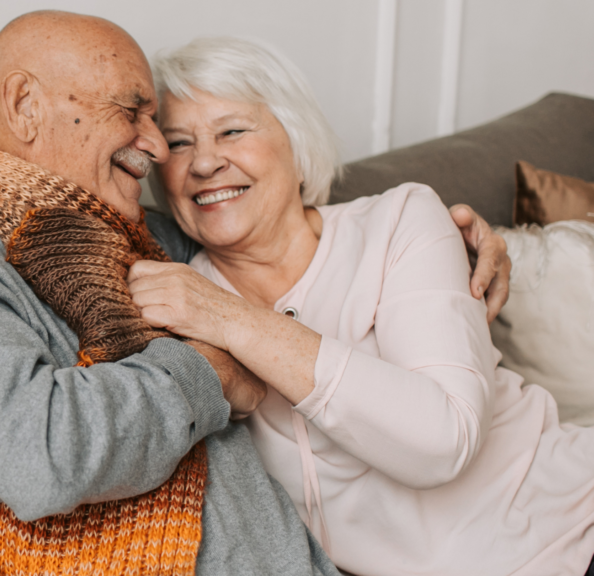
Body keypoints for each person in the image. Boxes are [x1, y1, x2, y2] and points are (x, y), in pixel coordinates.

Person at [0, 11, 506, 575]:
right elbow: (36, 454)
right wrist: (210, 373)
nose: (156, 146)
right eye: (132, 111)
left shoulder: (150, 235)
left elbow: (280, 226)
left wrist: (468, 244)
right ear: (26, 106)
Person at [128, 36, 594, 576]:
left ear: (296, 143)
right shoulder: (176, 299)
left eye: (232, 130)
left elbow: (444, 440)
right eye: (179, 143)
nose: (205, 162)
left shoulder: (401, 222)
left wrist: (232, 320)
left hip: (571, 527)